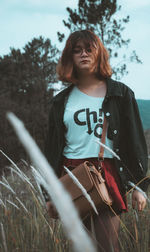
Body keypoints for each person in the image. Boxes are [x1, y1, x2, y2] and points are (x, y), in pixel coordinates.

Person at [44, 30, 148, 251]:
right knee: (80, 246)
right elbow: (52, 151)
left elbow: (135, 142)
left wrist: (140, 186)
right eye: (77, 50)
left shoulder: (121, 94)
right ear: (69, 57)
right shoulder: (61, 101)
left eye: (89, 49)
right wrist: (48, 194)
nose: (84, 54)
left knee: (107, 245)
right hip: (70, 174)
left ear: (99, 53)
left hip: (107, 172)